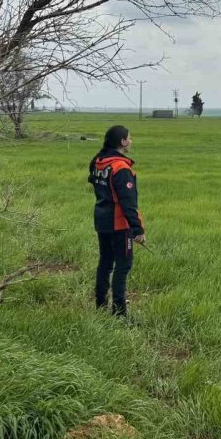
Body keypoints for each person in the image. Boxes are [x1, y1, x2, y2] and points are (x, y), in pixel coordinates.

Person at [88, 125, 145, 316]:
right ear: (122, 142)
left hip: (101, 220)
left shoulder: (98, 162)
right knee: (123, 265)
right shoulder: (120, 168)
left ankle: (100, 305)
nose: (131, 141)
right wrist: (137, 229)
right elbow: (128, 202)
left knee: (105, 262)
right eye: (129, 138)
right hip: (119, 224)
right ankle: (119, 313)